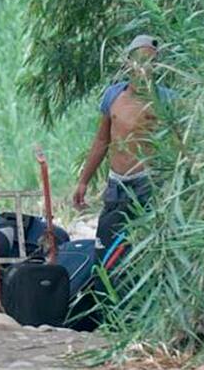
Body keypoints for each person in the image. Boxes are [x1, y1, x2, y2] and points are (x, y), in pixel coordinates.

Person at [73, 34, 176, 254]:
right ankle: (104, 286)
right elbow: (102, 140)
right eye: (139, 61)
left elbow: (178, 147)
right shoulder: (113, 96)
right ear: (129, 63)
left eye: (151, 62)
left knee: (145, 248)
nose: (144, 68)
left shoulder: (166, 100)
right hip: (117, 184)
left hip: (148, 185)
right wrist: (83, 181)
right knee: (106, 246)